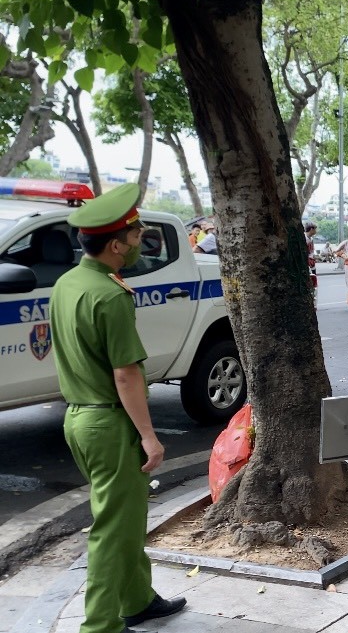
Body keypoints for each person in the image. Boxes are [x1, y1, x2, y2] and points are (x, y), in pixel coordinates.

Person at [50, 184, 187, 633]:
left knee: (125, 518)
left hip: (80, 418)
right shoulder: (110, 295)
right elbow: (126, 374)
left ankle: (138, 599)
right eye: (134, 236)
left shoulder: (68, 283)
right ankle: (99, 625)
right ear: (115, 245)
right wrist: (149, 435)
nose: (138, 241)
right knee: (112, 528)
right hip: (110, 422)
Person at [304, 221, 318, 306]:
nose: (316, 231)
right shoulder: (304, 238)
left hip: (312, 263)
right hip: (307, 263)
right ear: (311, 229)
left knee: (314, 282)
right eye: (315, 229)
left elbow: (311, 251)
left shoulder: (311, 239)